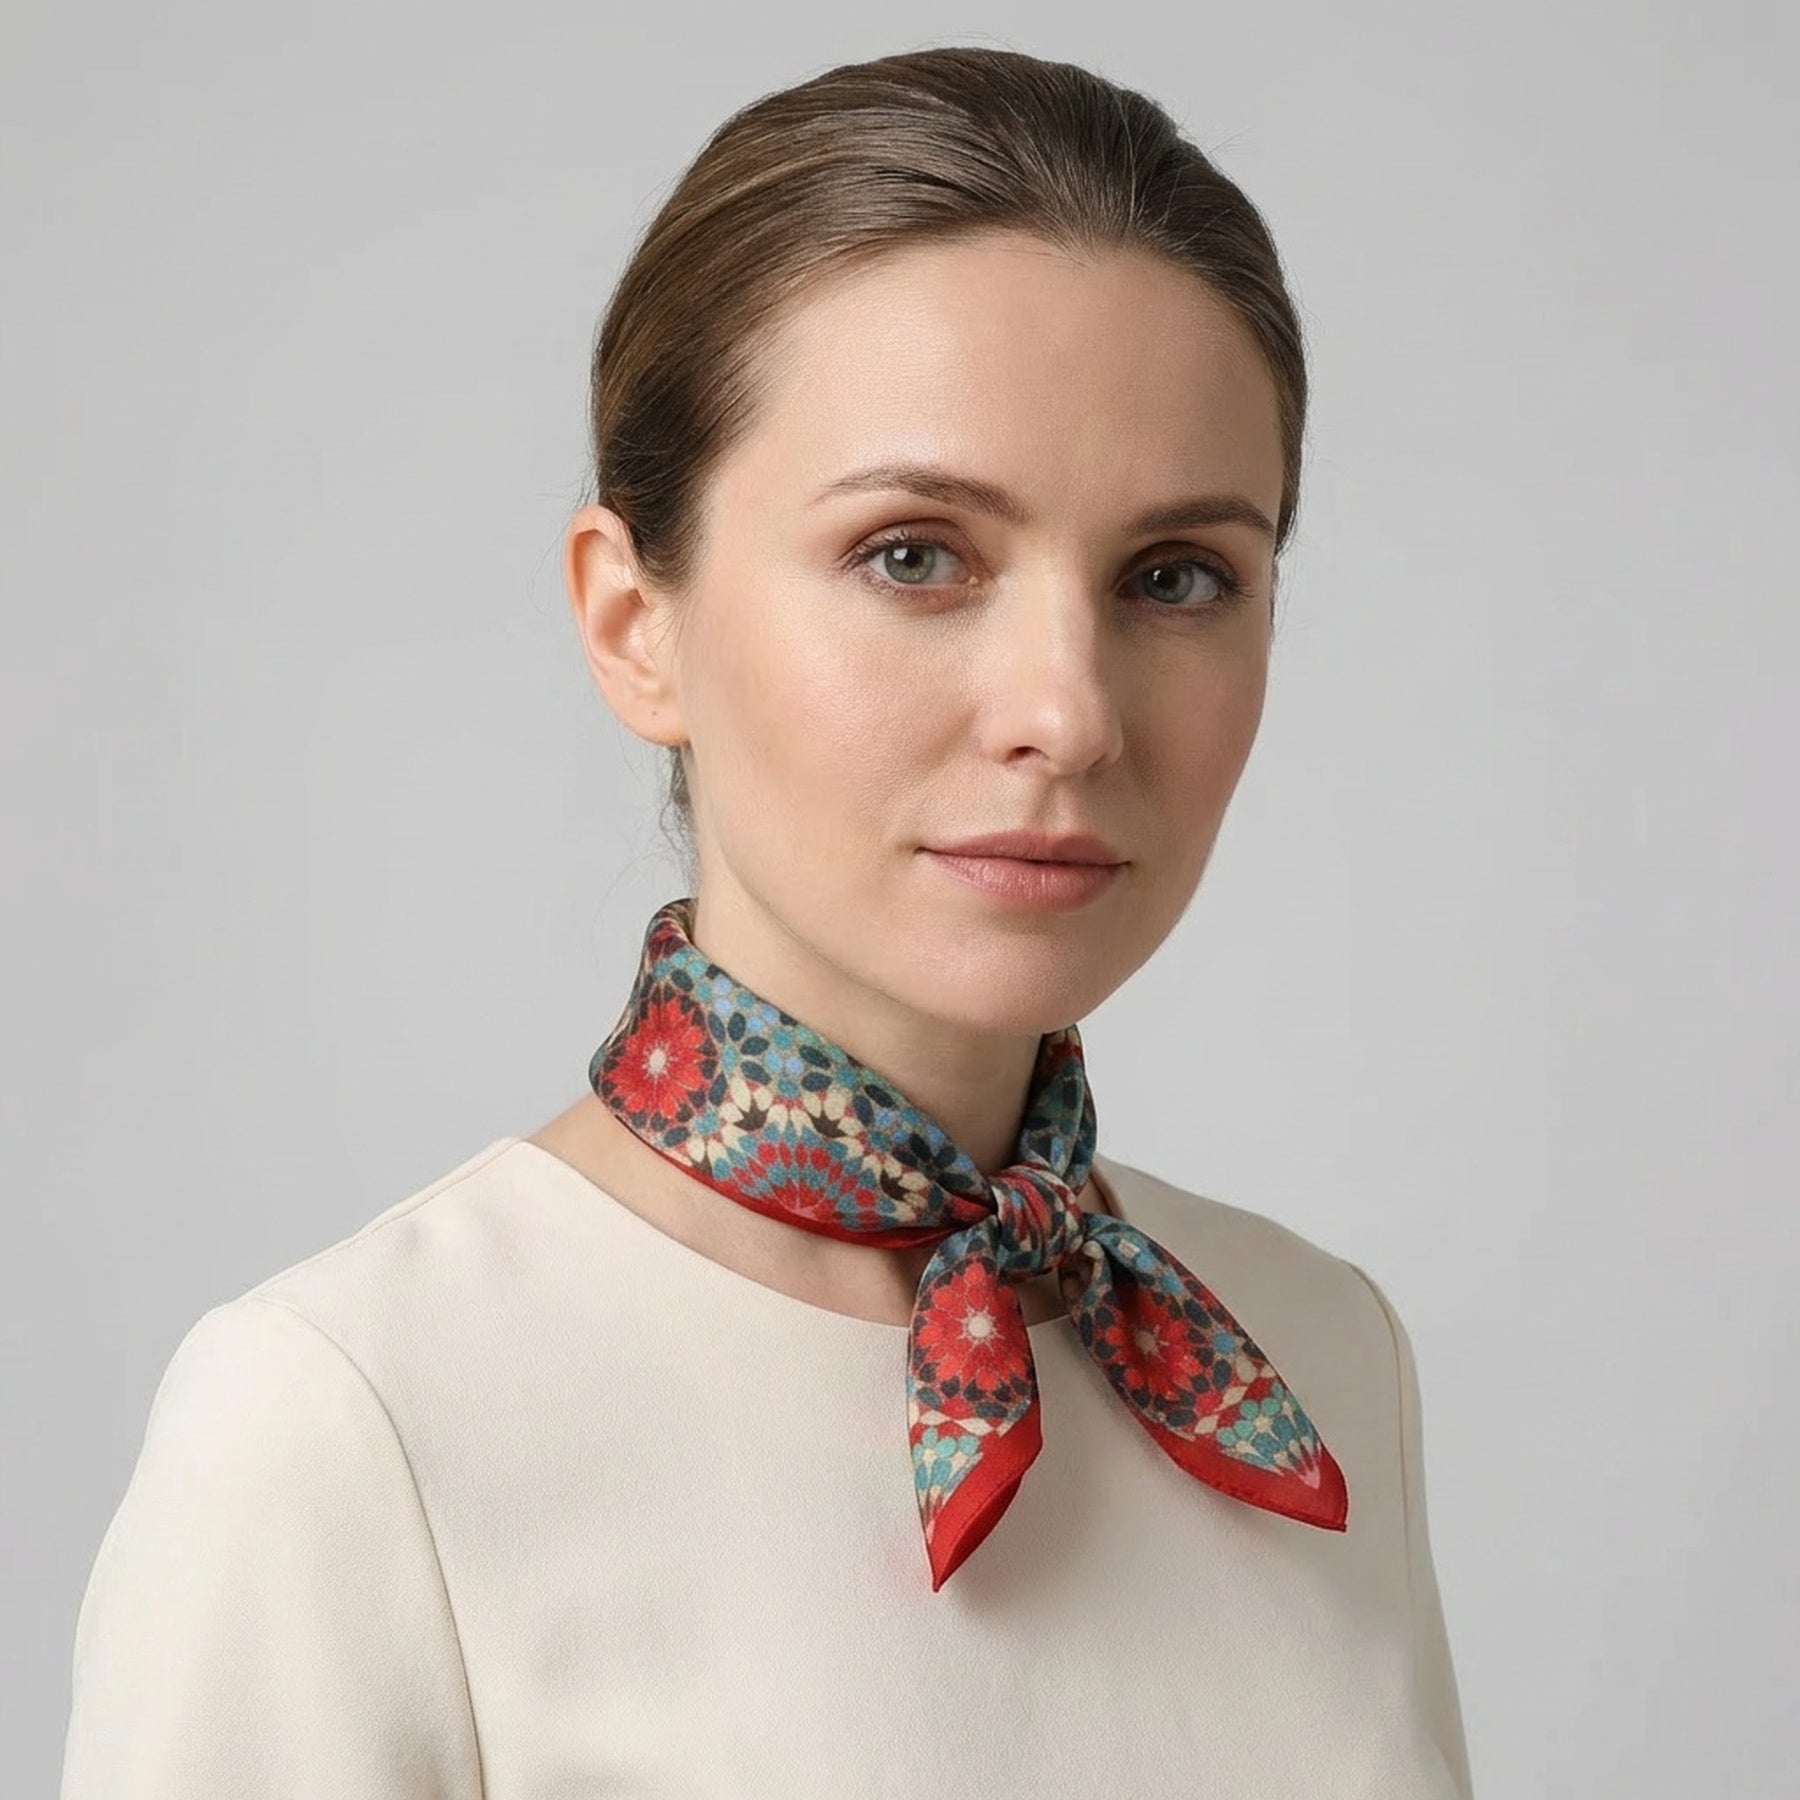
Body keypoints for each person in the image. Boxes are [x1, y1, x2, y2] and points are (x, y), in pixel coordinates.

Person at [60, 44, 1474, 1799]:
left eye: (1176, 577)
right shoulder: (355, 1422)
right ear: (633, 622)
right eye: (914, 554)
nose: (1070, 713)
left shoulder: (1316, 1356)